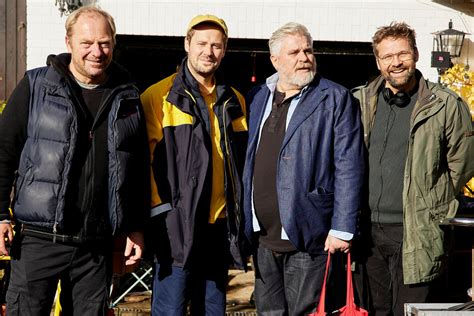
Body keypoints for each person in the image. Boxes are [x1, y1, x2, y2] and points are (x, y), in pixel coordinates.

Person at [0, 6, 150, 315]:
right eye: (87, 43)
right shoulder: (36, 86)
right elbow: (4, 151)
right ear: (69, 42)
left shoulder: (128, 96)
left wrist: (135, 227)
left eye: (105, 43)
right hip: (38, 239)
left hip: (94, 245)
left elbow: (135, 169)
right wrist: (0, 214)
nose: (97, 51)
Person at [242, 22, 365, 315]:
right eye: (294, 51)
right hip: (262, 237)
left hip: (309, 233)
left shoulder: (335, 98)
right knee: (268, 312)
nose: (304, 57)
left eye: (308, 50)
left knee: (307, 311)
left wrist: (343, 228)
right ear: (275, 60)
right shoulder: (258, 96)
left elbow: (350, 164)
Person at [352, 22, 474, 316]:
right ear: (377, 61)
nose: (396, 62)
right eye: (387, 56)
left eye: (402, 54)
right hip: (367, 234)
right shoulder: (359, 101)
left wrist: (433, 199)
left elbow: (464, 160)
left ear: (416, 54)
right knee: (375, 310)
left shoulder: (445, 104)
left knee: (411, 311)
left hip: (418, 231)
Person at [140, 14, 249, 315]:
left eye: (216, 45)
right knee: (171, 310)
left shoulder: (234, 100)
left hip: (219, 228)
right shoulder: (158, 97)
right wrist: (161, 213)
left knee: (213, 310)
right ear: (187, 44)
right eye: (201, 43)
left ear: (225, 50)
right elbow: (143, 163)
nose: (208, 51)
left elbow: (241, 166)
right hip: (176, 226)